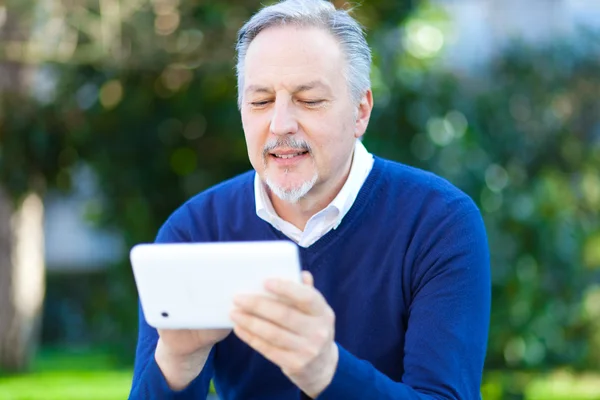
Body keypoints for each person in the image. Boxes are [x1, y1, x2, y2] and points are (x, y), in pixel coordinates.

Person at [128, 0, 491, 399]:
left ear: (360, 112)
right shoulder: (195, 231)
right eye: (261, 101)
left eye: (310, 100)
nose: (280, 124)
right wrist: (179, 362)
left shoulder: (439, 223)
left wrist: (326, 371)